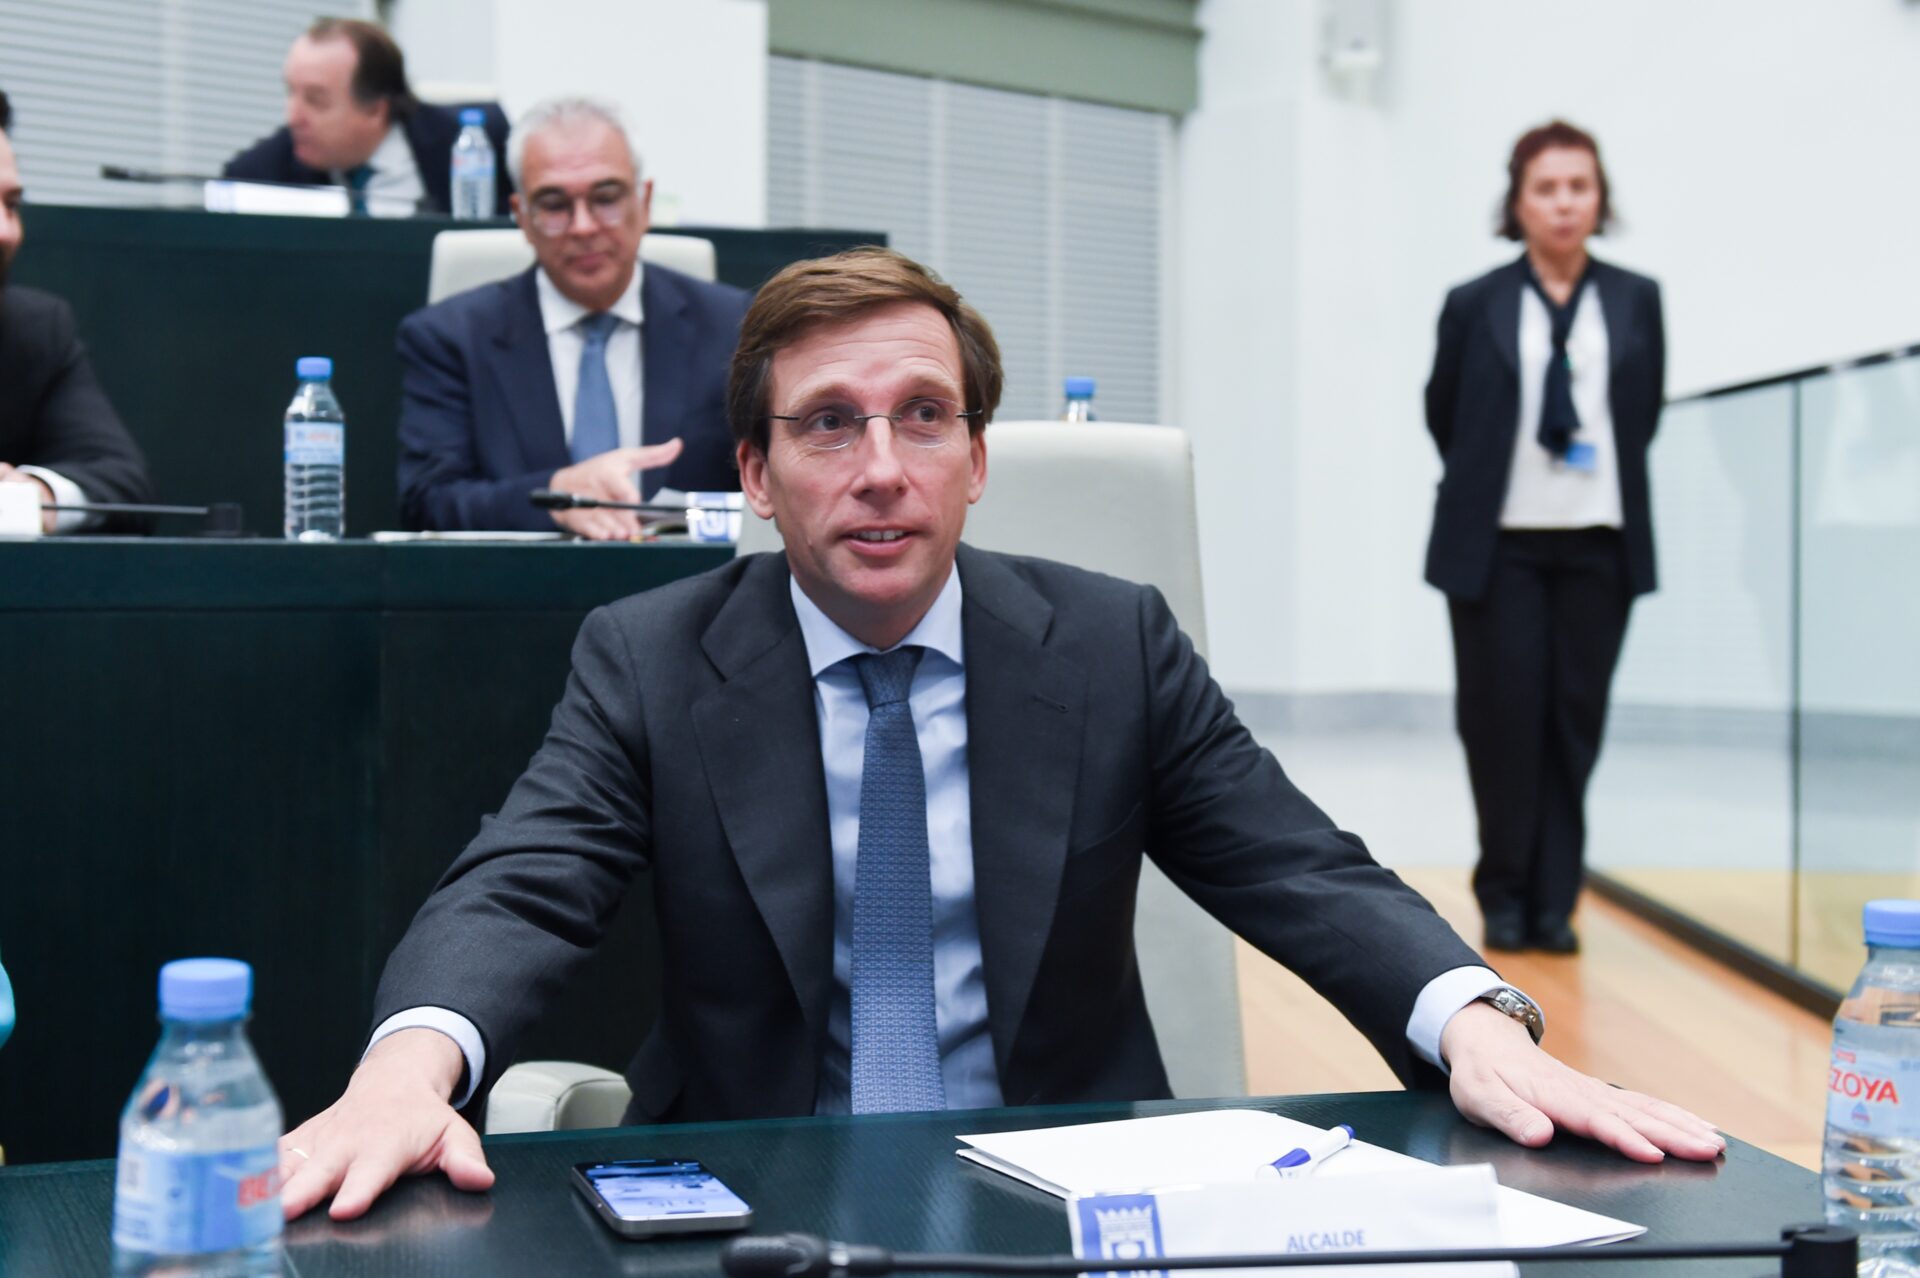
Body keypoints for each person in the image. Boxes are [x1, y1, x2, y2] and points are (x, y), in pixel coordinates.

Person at [278, 247, 1720, 1222]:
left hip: (1073, 1197)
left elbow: (1302, 868)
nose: (883, 470)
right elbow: (523, 881)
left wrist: (1477, 1022)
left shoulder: (1108, 643)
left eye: (924, 418)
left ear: (977, 459)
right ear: (756, 477)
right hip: (752, 1192)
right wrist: (406, 1072)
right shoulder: (652, 656)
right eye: (828, 425)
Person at [1423, 121, 1666, 956]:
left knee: (1572, 723)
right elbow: (1444, 412)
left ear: (1599, 199)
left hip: (1598, 543)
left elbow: (1643, 412)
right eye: (1547, 188)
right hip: (1499, 549)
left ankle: (1555, 902)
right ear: (1519, 202)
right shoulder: (1474, 302)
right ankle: (1504, 894)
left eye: (1579, 187)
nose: (1564, 203)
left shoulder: (1636, 297)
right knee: (1501, 723)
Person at [394, 97, 748, 539]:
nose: (583, 226)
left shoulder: (733, 327)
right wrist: (556, 494)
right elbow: (427, 502)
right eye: (555, 204)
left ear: (644, 203)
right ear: (522, 217)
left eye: (606, 198)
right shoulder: (451, 338)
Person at [0, 91, 153, 534]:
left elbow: (122, 481)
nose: (6, 232)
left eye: (12, 206)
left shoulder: (31, 332)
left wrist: (32, 496)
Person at [223, 18, 511, 218]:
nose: (293, 116)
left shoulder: (479, 144)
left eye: (315, 100)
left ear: (375, 109)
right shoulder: (259, 175)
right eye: (290, 92)